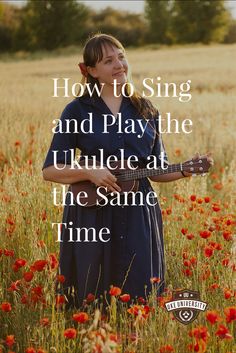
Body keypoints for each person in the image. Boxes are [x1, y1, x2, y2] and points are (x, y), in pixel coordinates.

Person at [42, 33, 213, 309]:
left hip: (137, 213)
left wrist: (183, 170)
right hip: (91, 212)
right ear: (91, 71)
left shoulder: (145, 109)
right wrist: (90, 171)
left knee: (139, 291)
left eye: (121, 56)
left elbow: (155, 170)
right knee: (91, 293)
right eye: (108, 60)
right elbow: (50, 170)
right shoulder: (75, 111)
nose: (119, 64)